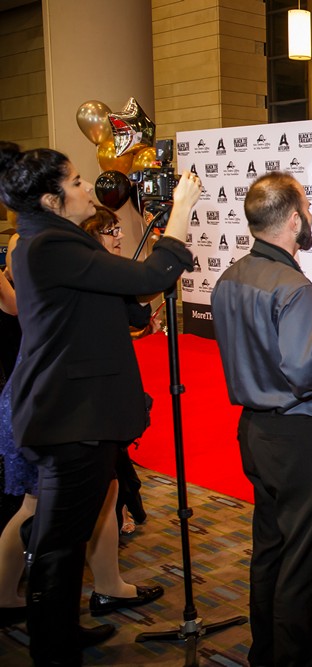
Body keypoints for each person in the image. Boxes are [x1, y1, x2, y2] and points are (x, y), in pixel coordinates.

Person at [0, 141, 198, 666]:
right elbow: (150, 277)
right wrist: (179, 213)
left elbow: (110, 297)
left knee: (64, 536)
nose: (90, 187)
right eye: (77, 182)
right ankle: (53, 647)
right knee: (59, 545)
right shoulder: (47, 246)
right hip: (70, 416)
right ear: (50, 199)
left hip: (75, 410)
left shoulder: (53, 240)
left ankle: (60, 631)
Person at [211, 171, 312, 667]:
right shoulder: (294, 287)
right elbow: (306, 371)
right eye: (307, 210)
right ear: (293, 221)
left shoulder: (229, 278)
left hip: (255, 431)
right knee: (306, 554)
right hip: (300, 435)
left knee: (270, 545)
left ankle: (266, 650)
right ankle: (297, 655)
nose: (310, 217)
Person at [81, 206, 151, 533]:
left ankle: (120, 514)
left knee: (111, 474)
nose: (120, 235)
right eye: (113, 231)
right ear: (93, 236)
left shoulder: (113, 271)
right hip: (88, 392)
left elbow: (138, 317)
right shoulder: (87, 275)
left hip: (111, 389)